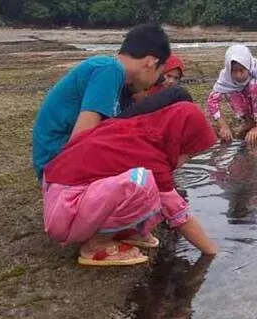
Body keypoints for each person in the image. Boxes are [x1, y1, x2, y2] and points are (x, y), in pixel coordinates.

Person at [41, 101, 220, 266]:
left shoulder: (136, 131)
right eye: (188, 155)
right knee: (142, 183)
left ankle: (119, 230)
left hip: (59, 193)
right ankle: (97, 245)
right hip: (66, 211)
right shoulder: (151, 157)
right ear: (178, 141)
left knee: (149, 188)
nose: (184, 162)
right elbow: (179, 214)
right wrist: (211, 252)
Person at [31, 23, 170, 183]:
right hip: (58, 166)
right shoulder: (110, 69)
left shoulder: (114, 76)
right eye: (159, 74)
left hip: (56, 163)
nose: (155, 82)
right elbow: (81, 138)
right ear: (150, 63)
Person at [206, 45, 257, 145]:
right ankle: (249, 121)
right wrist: (223, 126)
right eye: (234, 71)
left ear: (248, 67)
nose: (238, 75)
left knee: (255, 84)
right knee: (232, 91)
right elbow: (212, 101)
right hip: (253, 107)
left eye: (241, 70)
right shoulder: (225, 78)